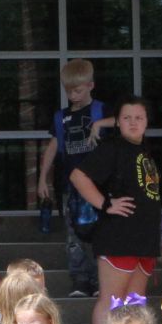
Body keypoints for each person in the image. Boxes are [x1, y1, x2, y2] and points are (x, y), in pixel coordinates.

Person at [69, 96, 162, 324]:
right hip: (117, 237)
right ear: (117, 122)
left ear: (146, 121)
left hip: (143, 239)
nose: (133, 123)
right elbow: (78, 176)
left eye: (139, 117)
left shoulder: (145, 150)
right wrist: (105, 203)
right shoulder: (112, 148)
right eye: (127, 118)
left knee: (134, 305)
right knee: (111, 301)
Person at [38, 59, 111, 298]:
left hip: (99, 186)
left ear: (90, 85)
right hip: (70, 186)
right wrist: (42, 179)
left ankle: (101, 279)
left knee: (101, 232)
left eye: (77, 90)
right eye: (68, 91)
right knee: (73, 234)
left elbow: (125, 119)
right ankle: (80, 279)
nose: (73, 95)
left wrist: (100, 123)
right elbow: (53, 146)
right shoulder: (62, 117)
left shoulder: (101, 109)